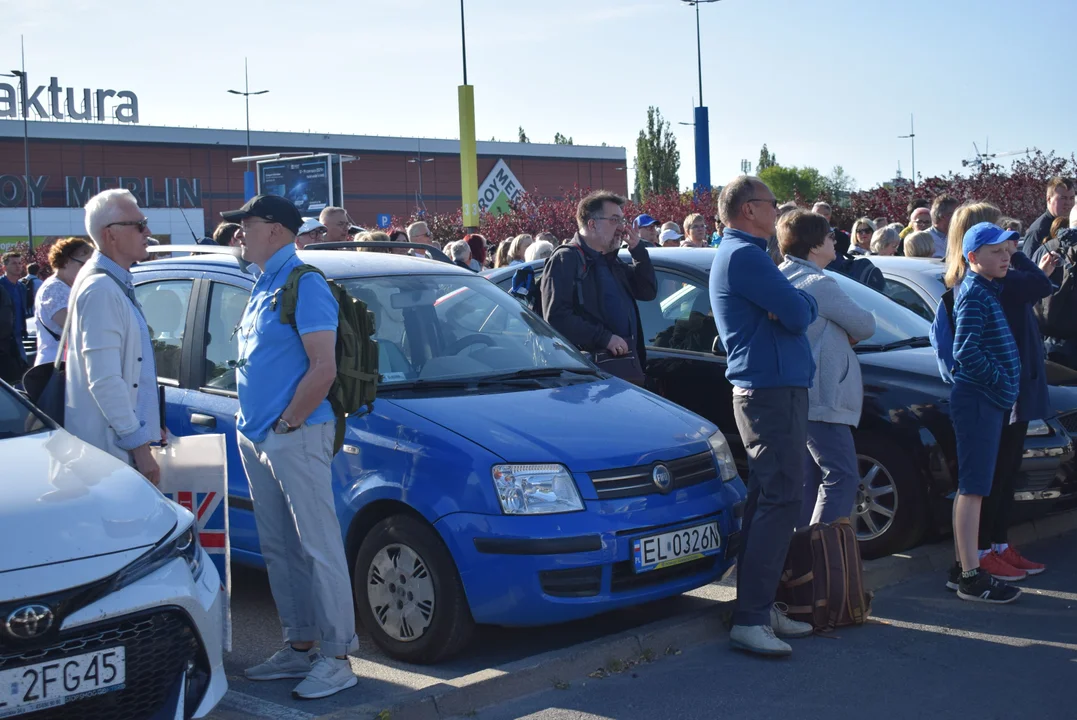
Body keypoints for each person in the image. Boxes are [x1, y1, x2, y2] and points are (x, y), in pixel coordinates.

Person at [220, 194, 359, 698]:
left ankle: (338, 656)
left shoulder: (306, 283)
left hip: (294, 435)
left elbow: (324, 367)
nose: (239, 233)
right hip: (260, 436)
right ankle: (299, 645)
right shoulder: (263, 283)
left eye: (246, 224)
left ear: (276, 230)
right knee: (280, 548)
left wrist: (286, 424)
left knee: (319, 548)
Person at [709, 176, 817, 656]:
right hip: (769, 392)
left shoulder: (746, 254)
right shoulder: (745, 256)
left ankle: (758, 605)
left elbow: (796, 308)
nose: (779, 211)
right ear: (749, 209)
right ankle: (751, 615)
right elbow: (796, 313)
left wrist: (797, 304)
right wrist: (797, 305)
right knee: (779, 500)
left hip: (773, 389)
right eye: (773, 204)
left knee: (769, 499)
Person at [778, 210, 875, 526]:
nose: (836, 240)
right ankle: (821, 557)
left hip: (798, 391)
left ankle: (804, 559)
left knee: (810, 479)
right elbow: (865, 324)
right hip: (824, 394)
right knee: (842, 475)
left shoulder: (782, 275)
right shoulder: (819, 283)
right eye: (830, 235)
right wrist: (846, 331)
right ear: (814, 244)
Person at [65, 189, 165, 482]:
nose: (147, 231)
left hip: (115, 451)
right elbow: (105, 380)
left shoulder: (110, 281)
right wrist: (140, 448)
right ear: (111, 234)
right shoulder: (101, 289)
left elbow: (128, 369)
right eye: (139, 224)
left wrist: (149, 426)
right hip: (112, 457)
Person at [947, 222, 1022, 604]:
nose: (1006, 255)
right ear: (973, 257)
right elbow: (965, 352)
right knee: (973, 488)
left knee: (975, 486)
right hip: (978, 401)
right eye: (996, 251)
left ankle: (961, 567)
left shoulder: (985, 289)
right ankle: (970, 577)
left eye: (1007, 249)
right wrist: (1002, 384)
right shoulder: (976, 293)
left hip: (985, 400)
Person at [541, 190, 656, 384]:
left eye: (622, 220)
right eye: (614, 220)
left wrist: (638, 252)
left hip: (623, 371)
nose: (622, 228)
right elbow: (556, 317)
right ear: (592, 224)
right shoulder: (566, 259)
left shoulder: (612, 261)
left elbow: (647, 292)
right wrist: (604, 338)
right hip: (586, 379)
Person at [33, 237, 93, 365]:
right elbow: (70, 324)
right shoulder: (54, 288)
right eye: (83, 264)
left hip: (67, 363)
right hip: (56, 365)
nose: (88, 270)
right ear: (66, 262)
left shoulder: (69, 286)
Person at [1021, 176, 1075, 256]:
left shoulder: (1072, 226)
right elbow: (1027, 266)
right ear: (1049, 199)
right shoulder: (1038, 231)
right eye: (1063, 198)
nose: (1068, 203)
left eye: (1071, 198)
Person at [0, 252, 30, 365]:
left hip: (17, 335)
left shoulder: (21, 286)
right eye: (13, 263)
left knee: (21, 369)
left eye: (19, 263)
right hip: (3, 337)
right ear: (4, 267)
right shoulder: (1, 285)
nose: (18, 266)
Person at [929, 194, 959, 258]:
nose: (960, 217)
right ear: (942, 216)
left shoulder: (960, 237)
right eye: (957, 214)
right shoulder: (923, 239)